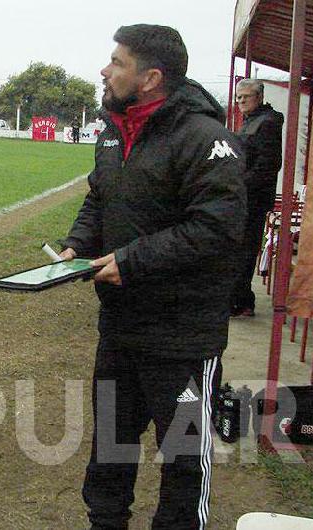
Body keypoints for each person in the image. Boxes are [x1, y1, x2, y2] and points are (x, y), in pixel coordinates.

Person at [57, 25, 246, 529]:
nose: (104, 70)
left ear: (150, 77)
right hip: (120, 328)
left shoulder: (207, 140)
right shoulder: (112, 133)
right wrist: (79, 244)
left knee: (184, 456)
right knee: (112, 445)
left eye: (116, 62)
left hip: (181, 336)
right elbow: (100, 199)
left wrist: (132, 260)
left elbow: (215, 228)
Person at [230, 78, 284, 317]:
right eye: (238, 97)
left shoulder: (268, 123)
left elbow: (268, 165)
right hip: (244, 196)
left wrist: (239, 185)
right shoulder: (251, 122)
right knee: (238, 249)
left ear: (259, 98)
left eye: (246, 97)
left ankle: (241, 302)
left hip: (253, 199)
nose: (241, 101)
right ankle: (239, 298)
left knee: (244, 250)